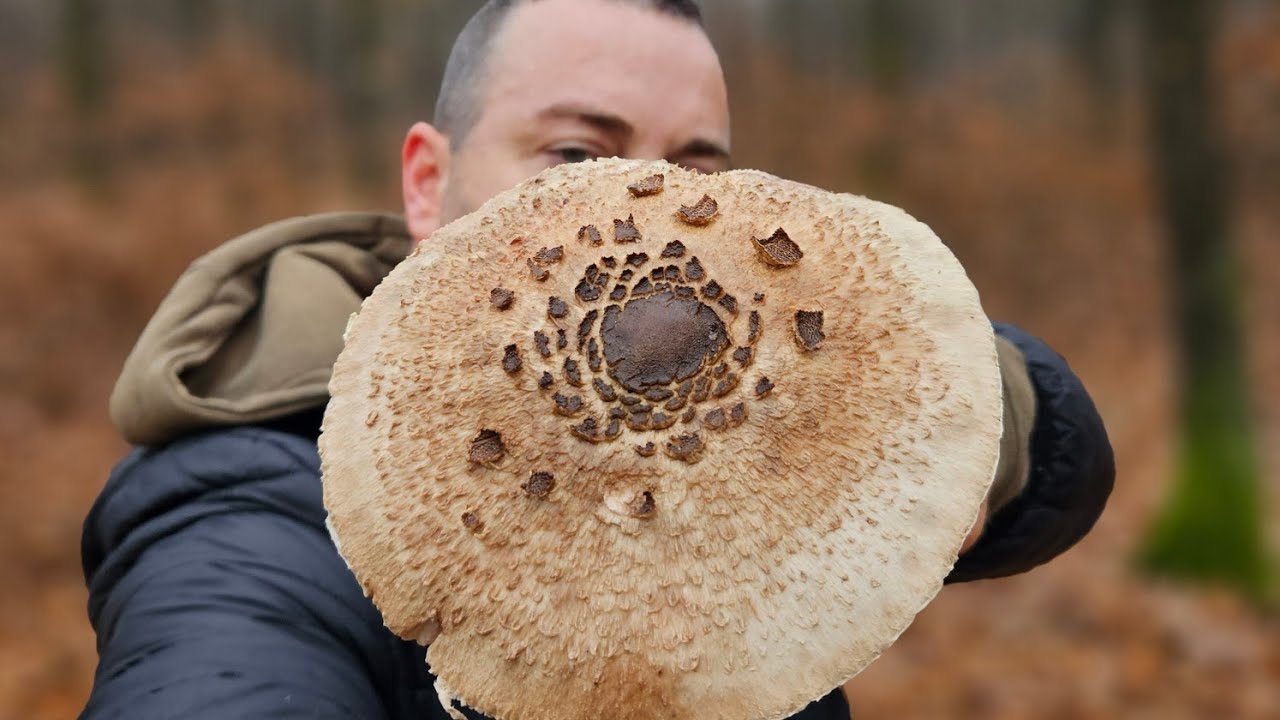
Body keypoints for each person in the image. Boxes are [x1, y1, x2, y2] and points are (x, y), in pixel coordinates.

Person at [80, 1, 1115, 718]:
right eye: (575, 156)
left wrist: (975, 432)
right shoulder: (250, 489)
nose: (639, 213)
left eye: (695, 167)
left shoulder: (760, 348)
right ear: (427, 185)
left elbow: (1057, 452)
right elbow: (227, 650)